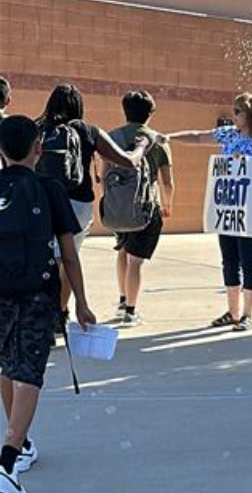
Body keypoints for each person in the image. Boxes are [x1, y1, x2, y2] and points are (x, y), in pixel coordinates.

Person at [0, 115, 97, 493]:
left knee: (7, 364)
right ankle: (7, 460)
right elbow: (68, 257)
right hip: (37, 295)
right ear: (38, 148)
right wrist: (83, 304)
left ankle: (17, 447)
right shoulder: (50, 189)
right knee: (29, 373)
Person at [161, 92, 252, 332]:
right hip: (229, 206)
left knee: (250, 261)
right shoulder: (229, 134)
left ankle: (248, 314)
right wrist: (169, 137)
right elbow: (198, 137)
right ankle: (232, 311)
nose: (234, 116)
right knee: (229, 260)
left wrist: (247, 162)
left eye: (238, 111)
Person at [35, 84, 149, 326]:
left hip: (40, 202)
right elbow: (128, 162)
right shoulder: (88, 131)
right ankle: (60, 313)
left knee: (44, 259)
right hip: (77, 204)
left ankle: (41, 311)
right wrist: (141, 146)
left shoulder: (37, 130)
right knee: (68, 259)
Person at [104, 90, 174, 327]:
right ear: (151, 113)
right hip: (146, 206)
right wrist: (167, 204)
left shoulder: (112, 136)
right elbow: (167, 181)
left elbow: (103, 174)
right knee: (136, 261)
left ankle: (123, 299)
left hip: (118, 207)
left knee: (123, 251)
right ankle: (131, 312)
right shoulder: (157, 140)